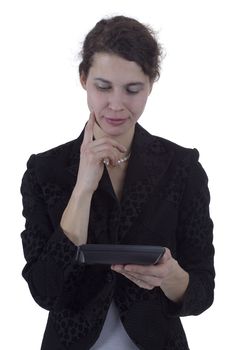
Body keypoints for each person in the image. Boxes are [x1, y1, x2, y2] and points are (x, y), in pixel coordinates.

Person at [20, 15, 215, 350]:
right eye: (103, 86)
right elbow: (45, 290)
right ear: (83, 79)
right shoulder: (44, 171)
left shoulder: (182, 168)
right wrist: (83, 186)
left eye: (132, 89)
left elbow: (201, 293)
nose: (116, 104)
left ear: (151, 83)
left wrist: (171, 278)